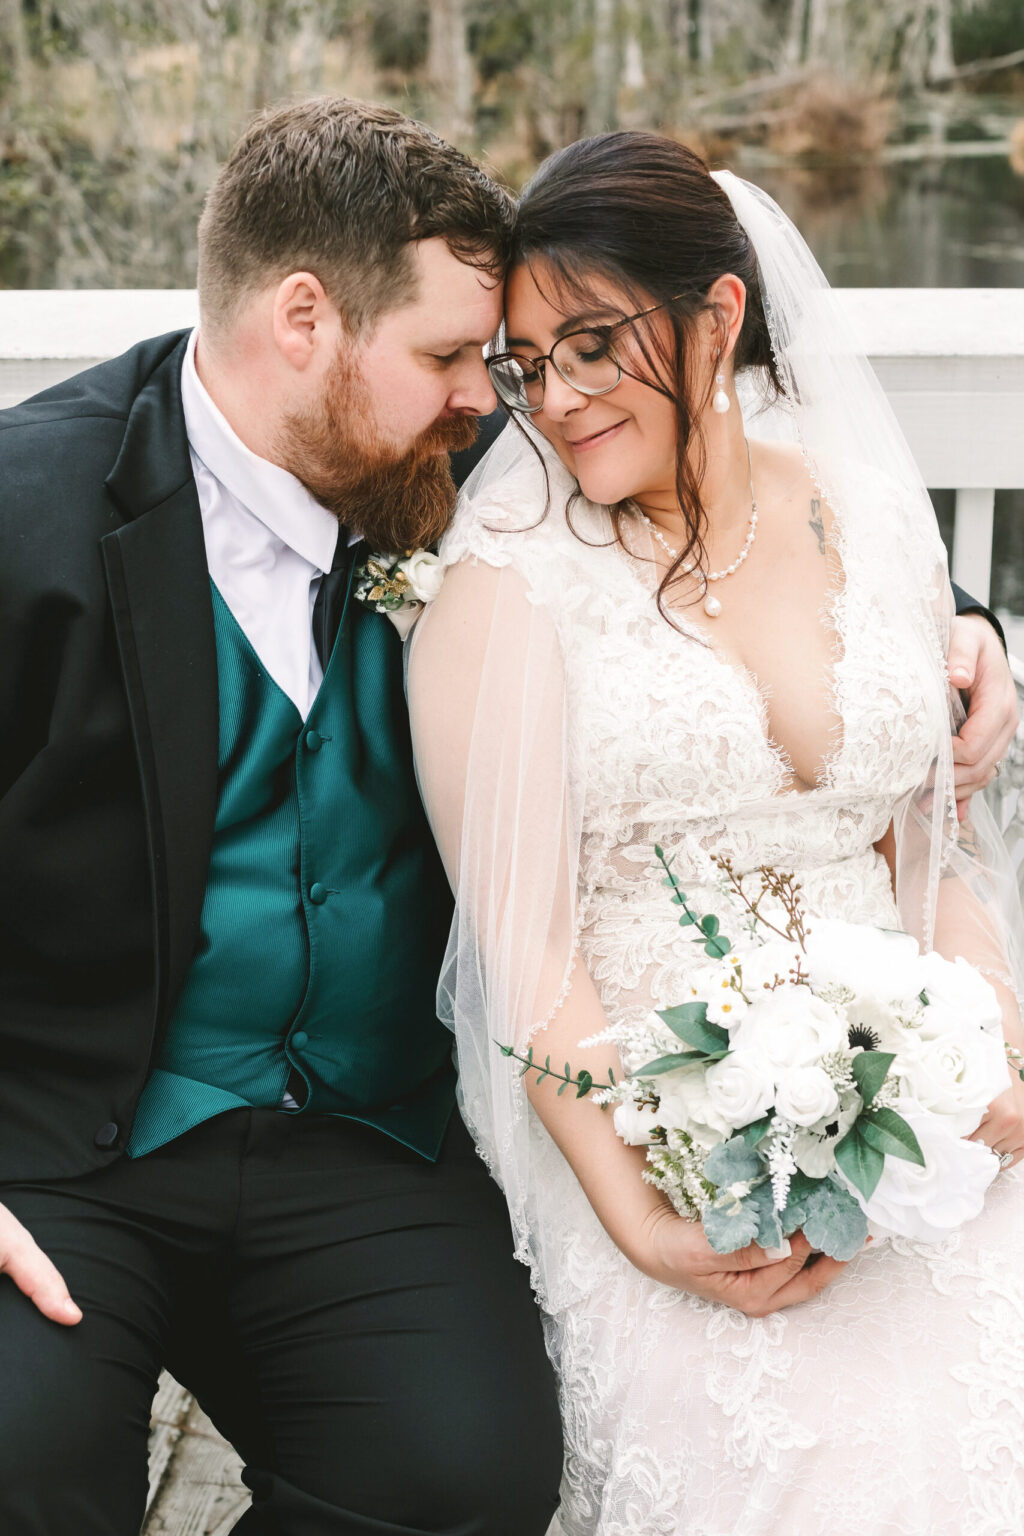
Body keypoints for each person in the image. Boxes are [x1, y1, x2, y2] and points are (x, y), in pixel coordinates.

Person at [408, 131, 1024, 1534]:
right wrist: (644, 1220)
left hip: (922, 1109)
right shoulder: (506, 592)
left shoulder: (865, 515)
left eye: (591, 347)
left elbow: (925, 854)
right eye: (526, 362)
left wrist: (990, 1048)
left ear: (720, 317)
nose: (553, 402)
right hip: (655, 1128)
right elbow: (532, 966)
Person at [0, 98, 563, 1535]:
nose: (484, 399)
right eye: (445, 354)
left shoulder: (482, 469)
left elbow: (722, 523)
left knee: (462, 1482)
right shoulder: (30, 507)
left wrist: (954, 627)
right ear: (303, 316)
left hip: (364, 1134)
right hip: (68, 1143)